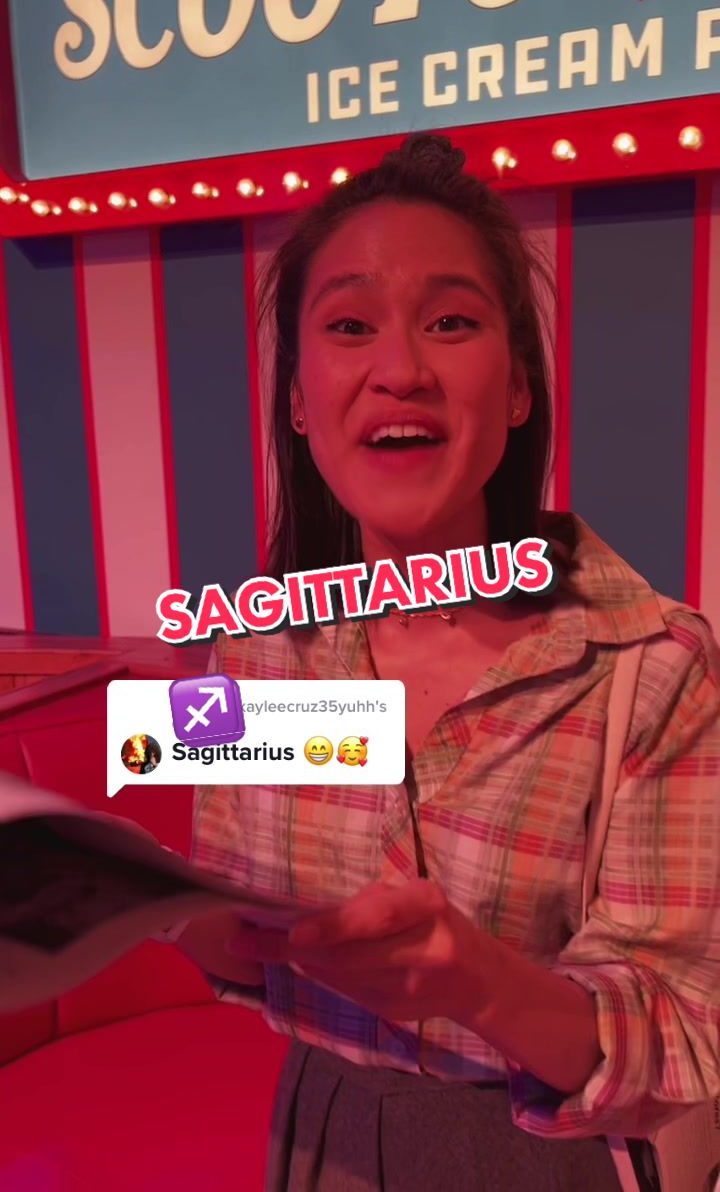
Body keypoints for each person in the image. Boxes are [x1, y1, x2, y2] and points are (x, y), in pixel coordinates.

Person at [177, 135, 720, 1191]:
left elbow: (686, 1031)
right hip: (319, 1132)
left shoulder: (653, 666)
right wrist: (169, 920)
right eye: (349, 325)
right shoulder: (251, 653)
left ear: (517, 389)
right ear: (298, 400)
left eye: (451, 322)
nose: (401, 370)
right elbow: (230, 937)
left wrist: (482, 984)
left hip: (541, 1156)